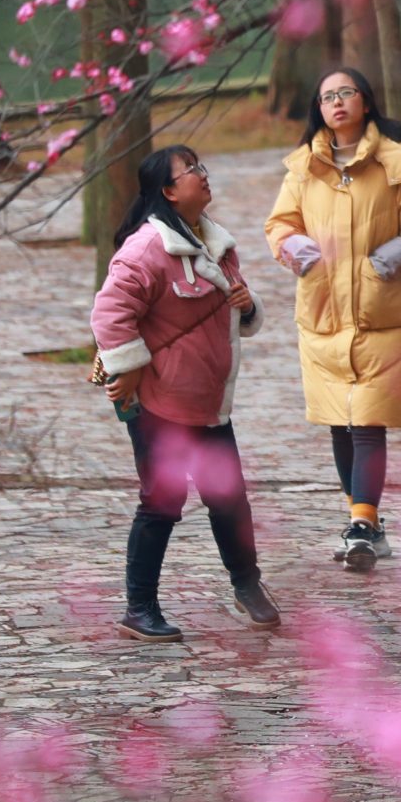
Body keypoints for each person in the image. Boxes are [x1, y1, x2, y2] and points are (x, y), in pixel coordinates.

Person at [92, 144, 279, 639]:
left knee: (230, 498)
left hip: (208, 403)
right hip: (160, 405)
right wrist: (128, 368)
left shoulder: (214, 241)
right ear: (169, 191)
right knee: (162, 503)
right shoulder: (145, 248)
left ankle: (248, 585)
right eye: (192, 170)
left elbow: (233, 305)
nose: (203, 175)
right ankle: (140, 608)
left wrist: (246, 302)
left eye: (202, 166)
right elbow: (109, 315)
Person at [265, 65, 401, 571]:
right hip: (322, 313)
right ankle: (365, 523)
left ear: (365, 101)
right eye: (327, 97)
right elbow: (280, 223)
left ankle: (362, 525)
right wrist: (297, 248)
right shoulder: (302, 167)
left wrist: (391, 256)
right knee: (339, 423)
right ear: (318, 109)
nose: (337, 102)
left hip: (379, 312)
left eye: (346, 93)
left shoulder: (395, 160)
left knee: (368, 420)